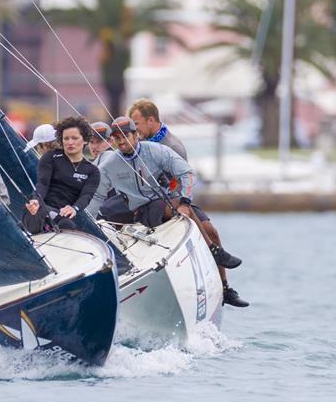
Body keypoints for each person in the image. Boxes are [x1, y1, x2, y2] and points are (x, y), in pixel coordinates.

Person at [86, 117, 248, 307]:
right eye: (116, 138)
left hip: (174, 201)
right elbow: (97, 197)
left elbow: (186, 172)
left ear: (135, 135)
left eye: (126, 136)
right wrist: (87, 223)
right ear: (112, 140)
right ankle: (215, 251)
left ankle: (225, 288)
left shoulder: (155, 151)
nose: (122, 141)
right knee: (176, 204)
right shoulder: (110, 164)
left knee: (210, 230)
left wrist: (186, 202)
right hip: (145, 210)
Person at [129, 98, 248, 307]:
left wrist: (179, 202)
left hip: (173, 197)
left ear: (150, 120)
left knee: (210, 230)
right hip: (146, 200)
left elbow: (180, 183)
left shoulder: (172, 146)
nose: (134, 129)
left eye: (136, 124)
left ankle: (225, 287)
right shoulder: (135, 144)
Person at [23, 116, 99, 234]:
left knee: (66, 224)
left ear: (85, 140)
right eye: (66, 138)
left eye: (74, 138)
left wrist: (74, 208)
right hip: (40, 208)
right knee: (60, 221)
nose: (70, 142)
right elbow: (42, 183)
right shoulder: (50, 157)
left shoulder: (92, 171)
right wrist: (36, 200)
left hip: (63, 215)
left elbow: (86, 196)